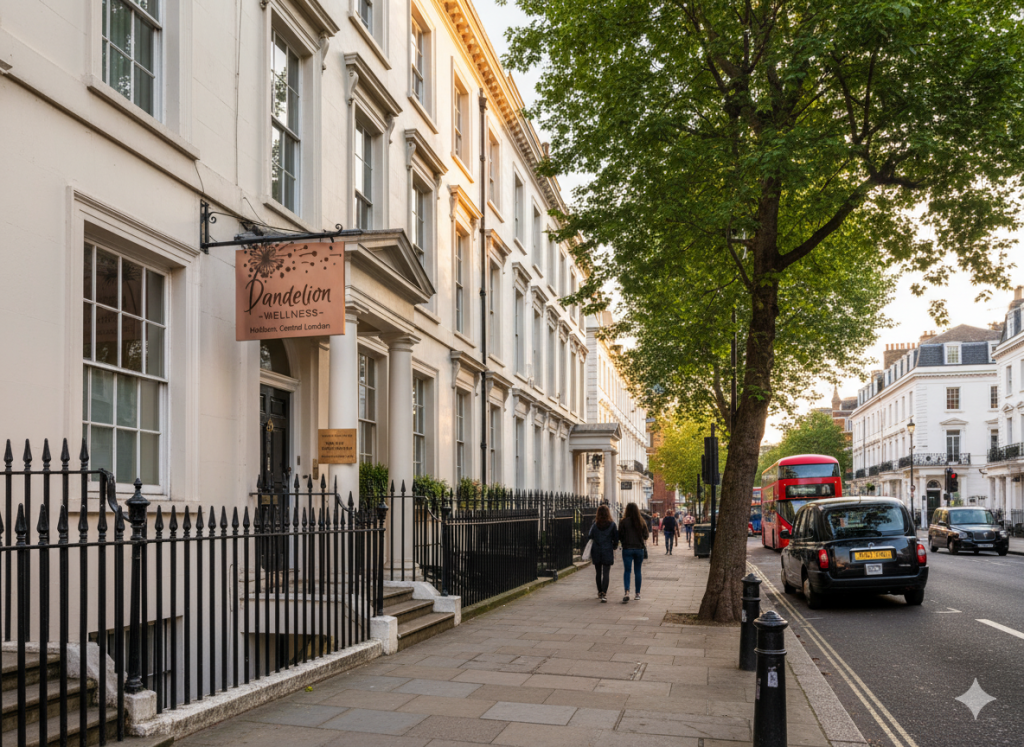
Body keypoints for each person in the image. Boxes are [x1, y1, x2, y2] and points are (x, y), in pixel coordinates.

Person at [618, 502, 649, 603]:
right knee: (637, 571)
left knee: (627, 571)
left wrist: (623, 541)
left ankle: (627, 592)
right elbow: (646, 535)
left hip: (627, 548)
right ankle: (637, 594)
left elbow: (620, 536)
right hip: (639, 549)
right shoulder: (641, 522)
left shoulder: (623, 522)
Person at [587, 505, 619, 602]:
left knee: (598, 572)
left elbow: (590, 536)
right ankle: (604, 592)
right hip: (607, 550)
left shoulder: (595, 524)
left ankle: (599, 591)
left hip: (596, 549)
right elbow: (616, 538)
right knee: (606, 572)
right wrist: (614, 546)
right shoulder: (612, 525)